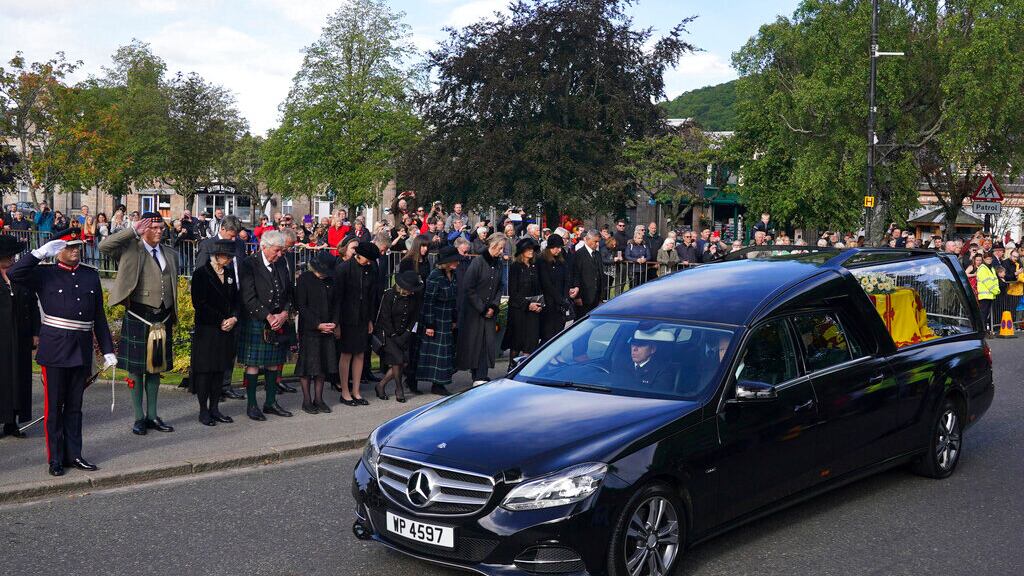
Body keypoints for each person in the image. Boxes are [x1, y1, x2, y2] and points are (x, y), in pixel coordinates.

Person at [9, 228, 115, 476]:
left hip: (81, 347)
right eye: (70, 247)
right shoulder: (44, 274)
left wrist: (107, 350)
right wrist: (38, 253)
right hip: (55, 347)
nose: (76, 250)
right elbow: (15, 273)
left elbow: (98, 316)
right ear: (58, 251)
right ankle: (55, 458)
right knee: (54, 407)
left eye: (78, 246)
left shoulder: (90, 276)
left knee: (75, 407)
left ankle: (74, 454)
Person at [100, 213, 179, 436]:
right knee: (136, 370)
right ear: (143, 228)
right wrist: (132, 230)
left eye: (161, 227)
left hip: (162, 318)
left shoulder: (170, 254)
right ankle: (138, 417)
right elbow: (104, 246)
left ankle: (153, 416)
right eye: (153, 227)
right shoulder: (130, 249)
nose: (158, 231)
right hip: (138, 315)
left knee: (156, 368)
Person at [237, 230, 295, 420]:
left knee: (273, 363)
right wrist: (269, 317)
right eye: (277, 251)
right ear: (264, 247)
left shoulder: (281, 264)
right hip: (257, 320)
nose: (279, 255)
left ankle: (270, 403)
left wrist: (285, 313)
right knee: (252, 364)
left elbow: (288, 292)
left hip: (278, 320)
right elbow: (248, 297)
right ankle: (252, 405)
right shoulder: (249, 264)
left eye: (281, 251)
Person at [194, 215, 247, 401]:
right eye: (231, 235)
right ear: (222, 229)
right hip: (214, 308)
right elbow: (200, 277)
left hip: (234, 303)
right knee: (213, 351)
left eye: (236, 237)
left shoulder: (239, 245)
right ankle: (210, 388)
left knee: (230, 349)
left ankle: (225, 385)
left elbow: (242, 271)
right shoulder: (208, 246)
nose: (233, 240)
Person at [189, 239, 240, 426]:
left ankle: (215, 408)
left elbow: (236, 300)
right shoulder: (201, 274)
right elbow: (199, 303)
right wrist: (221, 320)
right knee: (205, 372)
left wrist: (234, 318)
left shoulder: (229, 274)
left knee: (220, 370)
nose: (229, 260)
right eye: (227, 257)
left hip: (226, 330)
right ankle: (203, 410)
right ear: (218, 256)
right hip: (207, 330)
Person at [0, 235, 39, 439]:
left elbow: (33, 305)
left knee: (18, 378)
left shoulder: (21, 277)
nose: (14, 259)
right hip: (2, 338)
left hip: (21, 335)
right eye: (10, 256)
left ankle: (12, 422)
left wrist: (35, 333)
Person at [333, 241, 380, 406]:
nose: (369, 262)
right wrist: (336, 323)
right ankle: (345, 392)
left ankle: (356, 391)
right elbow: (337, 298)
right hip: (346, 318)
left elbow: (370, 297)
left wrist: (369, 319)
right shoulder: (343, 269)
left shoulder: (370, 270)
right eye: (367, 259)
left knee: (360, 353)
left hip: (362, 317)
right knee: (346, 354)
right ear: (359, 255)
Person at [456, 234, 506, 385]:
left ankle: (481, 374)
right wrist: (482, 307)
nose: (502, 251)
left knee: (487, 342)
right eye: (500, 248)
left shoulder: (498, 264)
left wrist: (493, 306)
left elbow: (499, 287)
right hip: (474, 311)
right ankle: (476, 374)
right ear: (493, 246)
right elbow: (468, 287)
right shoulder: (478, 262)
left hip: (489, 310)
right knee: (475, 343)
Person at [294, 251, 338, 414]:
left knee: (323, 365)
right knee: (307, 367)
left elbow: (336, 303)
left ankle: (319, 399)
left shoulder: (331, 280)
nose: (323, 275)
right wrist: (317, 324)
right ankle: (306, 401)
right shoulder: (304, 279)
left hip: (328, 328)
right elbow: (302, 306)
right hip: (310, 329)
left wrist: (334, 323)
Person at [416, 246, 460, 396]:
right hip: (435, 318)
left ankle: (439, 383)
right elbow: (429, 301)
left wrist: (455, 318)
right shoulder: (435, 276)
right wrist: (429, 324)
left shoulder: (453, 275)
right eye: (455, 261)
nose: (457, 263)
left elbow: (454, 298)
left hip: (447, 319)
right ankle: (433, 383)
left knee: (446, 352)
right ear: (447, 262)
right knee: (435, 353)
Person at [374, 271, 424, 403]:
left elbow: (415, 317)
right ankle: (399, 388)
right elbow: (385, 317)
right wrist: (394, 335)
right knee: (398, 361)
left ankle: (381, 385)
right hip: (389, 333)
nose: (412, 292)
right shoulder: (390, 295)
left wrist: (407, 332)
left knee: (404, 362)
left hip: (405, 333)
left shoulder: (415, 297)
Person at [399, 235, 431, 394]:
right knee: (408, 345)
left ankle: (412, 379)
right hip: (409, 306)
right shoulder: (407, 262)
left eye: (427, 247)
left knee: (417, 345)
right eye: (423, 246)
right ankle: (407, 378)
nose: (425, 249)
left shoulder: (426, 263)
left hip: (422, 305)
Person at [503, 236, 543, 363]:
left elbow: (540, 288)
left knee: (531, 341)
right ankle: (512, 367)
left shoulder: (535, 266)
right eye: (528, 249)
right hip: (518, 309)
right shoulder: (515, 267)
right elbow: (513, 292)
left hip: (534, 308)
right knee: (517, 341)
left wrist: (539, 304)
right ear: (522, 251)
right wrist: (527, 304)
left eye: (532, 249)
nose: (531, 251)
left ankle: (524, 367)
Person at [537, 233, 570, 342]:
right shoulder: (542, 260)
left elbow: (566, 278)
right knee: (548, 334)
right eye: (556, 248)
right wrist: (559, 299)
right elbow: (546, 283)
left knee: (559, 332)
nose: (558, 250)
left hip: (561, 301)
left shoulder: (561, 260)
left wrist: (565, 297)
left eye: (560, 247)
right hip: (549, 302)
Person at [570, 230, 604, 319]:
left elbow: (600, 274)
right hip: (584, 297)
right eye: (595, 241)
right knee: (580, 322)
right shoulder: (579, 254)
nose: (597, 244)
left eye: (598, 242)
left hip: (596, 297)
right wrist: (577, 297)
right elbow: (576, 275)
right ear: (587, 239)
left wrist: (601, 296)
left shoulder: (597, 254)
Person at [977, 251, 1000, 333]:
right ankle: (982, 330)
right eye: (987, 259)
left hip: (990, 294)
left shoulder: (991, 268)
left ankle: (984, 329)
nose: (989, 260)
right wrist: (996, 290)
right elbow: (988, 283)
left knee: (986, 314)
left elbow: (995, 280)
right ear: (984, 259)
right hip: (985, 295)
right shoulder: (983, 268)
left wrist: (996, 290)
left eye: (990, 259)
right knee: (983, 314)